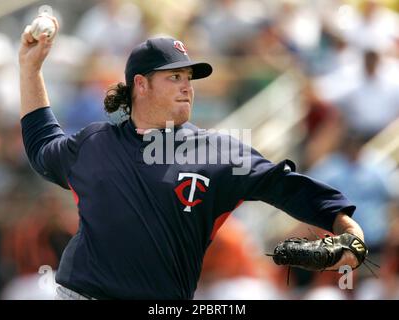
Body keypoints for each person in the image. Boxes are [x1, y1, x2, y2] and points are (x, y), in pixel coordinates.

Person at [19, 16, 365, 300]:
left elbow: (286, 187)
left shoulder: (218, 152)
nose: (188, 87)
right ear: (141, 85)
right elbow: (42, 147)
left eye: (189, 79)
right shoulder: (95, 143)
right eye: (175, 77)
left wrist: (346, 227)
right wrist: (31, 70)